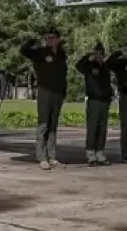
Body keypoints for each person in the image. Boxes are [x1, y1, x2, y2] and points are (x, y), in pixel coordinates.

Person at [20, 28, 68, 169]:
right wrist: (32, 41)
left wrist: (63, 91)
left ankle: (51, 156)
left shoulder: (62, 54)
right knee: (43, 124)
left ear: (58, 39)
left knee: (53, 125)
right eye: (47, 37)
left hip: (58, 93)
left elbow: (63, 74)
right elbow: (24, 51)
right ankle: (41, 157)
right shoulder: (40, 52)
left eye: (52, 37)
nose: (49, 40)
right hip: (45, 91)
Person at [76, 43, 112, 165]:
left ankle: (100, 152)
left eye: (101, 53)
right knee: (93, 127)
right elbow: (78, 66)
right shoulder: (89, 66)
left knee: (102, 128)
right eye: (97, 53)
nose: (99, 55)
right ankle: (90, 153)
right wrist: (88, 57)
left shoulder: (105, 67)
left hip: (104, 101)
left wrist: (109, 97)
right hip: (93, 100)